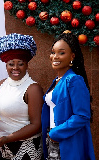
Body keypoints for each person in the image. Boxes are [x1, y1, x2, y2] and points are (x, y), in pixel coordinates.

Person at [0, 33, 44, 160]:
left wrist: (8, 138)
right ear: (6, 65)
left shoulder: (33, 88)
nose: (15, 68)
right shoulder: (1, 84)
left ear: (27, 65)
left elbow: (36, 125)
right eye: (11, 64)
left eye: (20, 63)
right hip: (5, 147)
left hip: (27, 149)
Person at [41, 32, 95, 160]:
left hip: (68, 142)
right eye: (53, 52)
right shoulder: (58, 80)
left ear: (72, 56)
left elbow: (82, 115)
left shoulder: (74, 80)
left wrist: (55, 133)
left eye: (61, 53)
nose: (55, 56)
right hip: (53, 141)